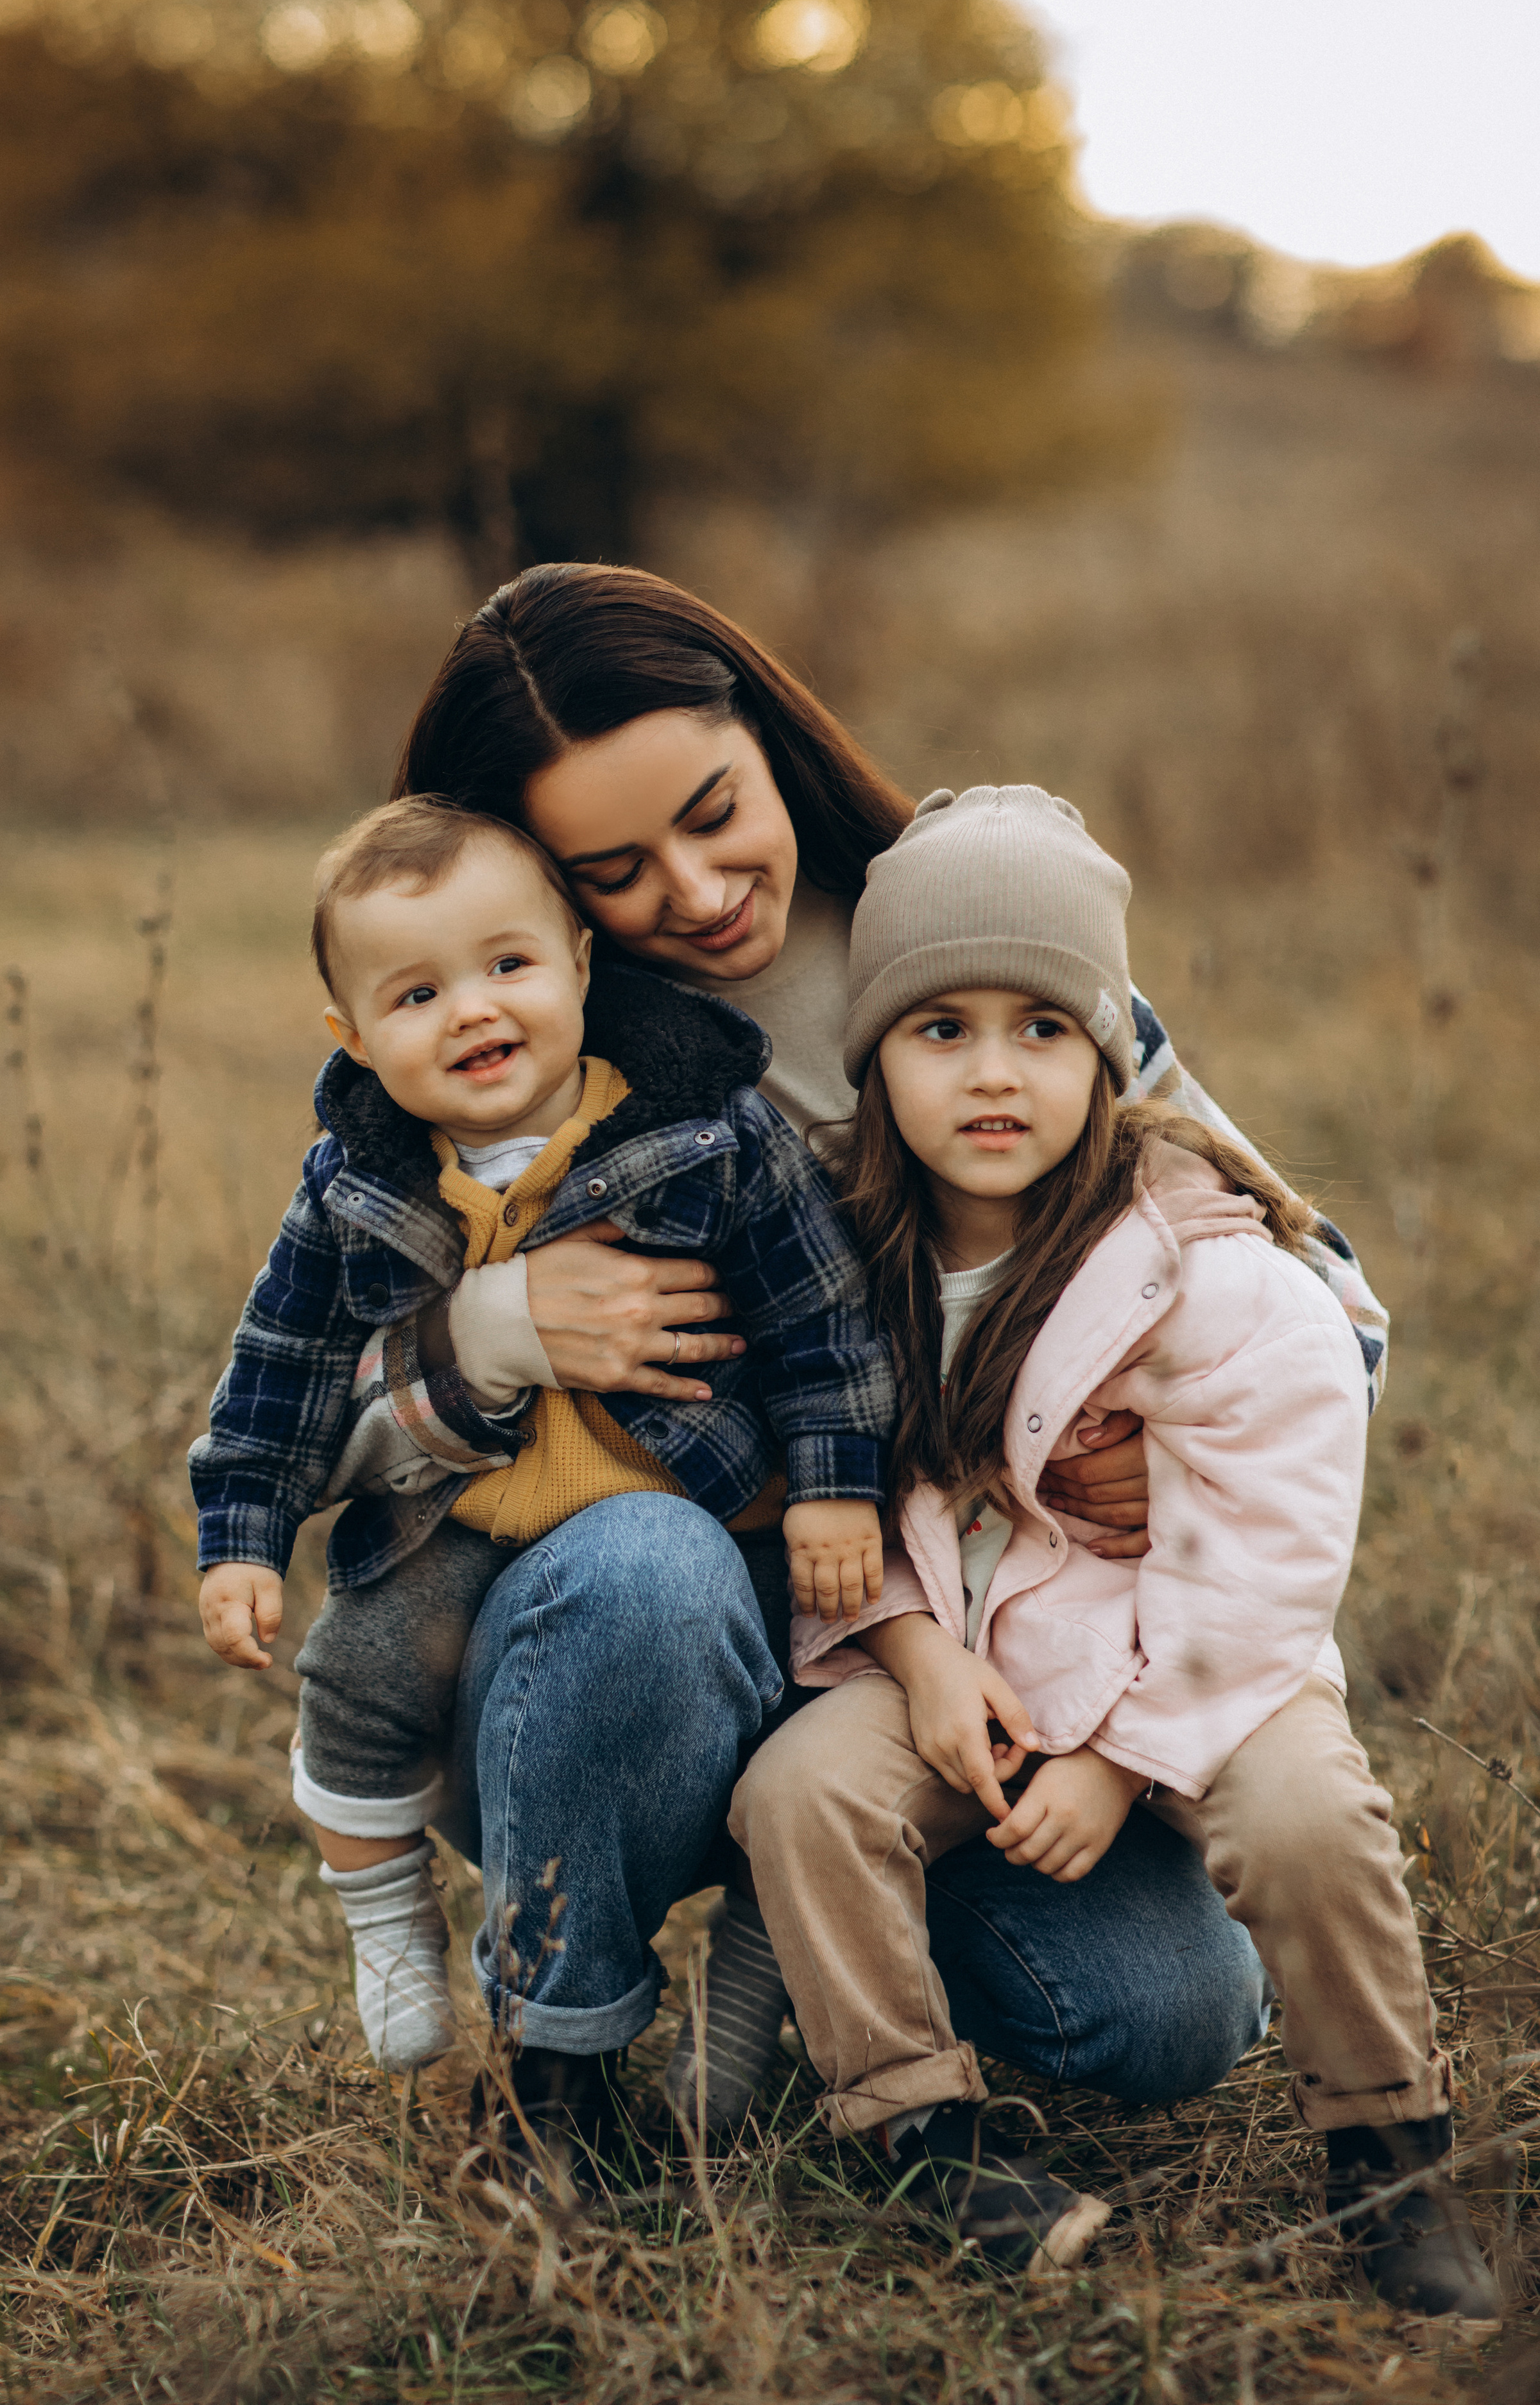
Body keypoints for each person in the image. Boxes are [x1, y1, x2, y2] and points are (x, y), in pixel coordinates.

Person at [332, 563, 1385, 2165]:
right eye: (609, 870)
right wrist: (494, 1328)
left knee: (1166, 2015)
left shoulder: (982, 949)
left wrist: (1144, 1455)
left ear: (765, 733)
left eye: (712, 811)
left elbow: (1330, 1309)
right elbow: (311, 1420)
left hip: (977, 1632)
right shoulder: (502, 1041)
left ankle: (818, 1943)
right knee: (645, 1566)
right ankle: (562, 2072)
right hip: (636, 1651)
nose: (690, 891)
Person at [731, 783, 1498, 2331]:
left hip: (1190, 1655)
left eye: (1041, 1028)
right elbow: (845, 1483)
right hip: (973, 1652)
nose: (992, 1073)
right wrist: (915, 1650)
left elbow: (1267, 1547)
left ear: (1105, 1049)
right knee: (802, 1793)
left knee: (1301, 1818)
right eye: (938, 1029)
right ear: (871, 1051)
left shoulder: (1196, 1262)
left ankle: (1388, 2151)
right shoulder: (848, 1254)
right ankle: (916, 2130)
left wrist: (1121, 1757)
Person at [189, 796, 894, 2086]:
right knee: (352, 1680)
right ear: (351, 1036)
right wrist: (239, 1537)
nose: (471, 1010)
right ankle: (391, 1920)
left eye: (507, 966)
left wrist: (835, 1493)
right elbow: (276, 1372)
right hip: (457, 1536)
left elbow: (822, 1323)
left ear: (579, 962)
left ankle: (750, 1995)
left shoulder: (703, 1132)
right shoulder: (354, 1184)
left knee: (808, 1730)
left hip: (710, 1532)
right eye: (415, 996)